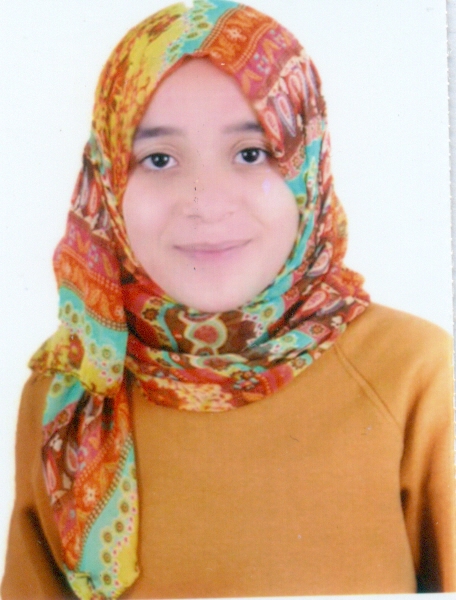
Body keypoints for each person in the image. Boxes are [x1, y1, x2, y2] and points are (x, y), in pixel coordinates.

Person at [2, 0, 455, 597]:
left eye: (251, 153)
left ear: (307, 164)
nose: (206, 202)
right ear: (107, 179)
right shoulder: (72, 391)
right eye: (159, 159)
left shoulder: (412, 374)